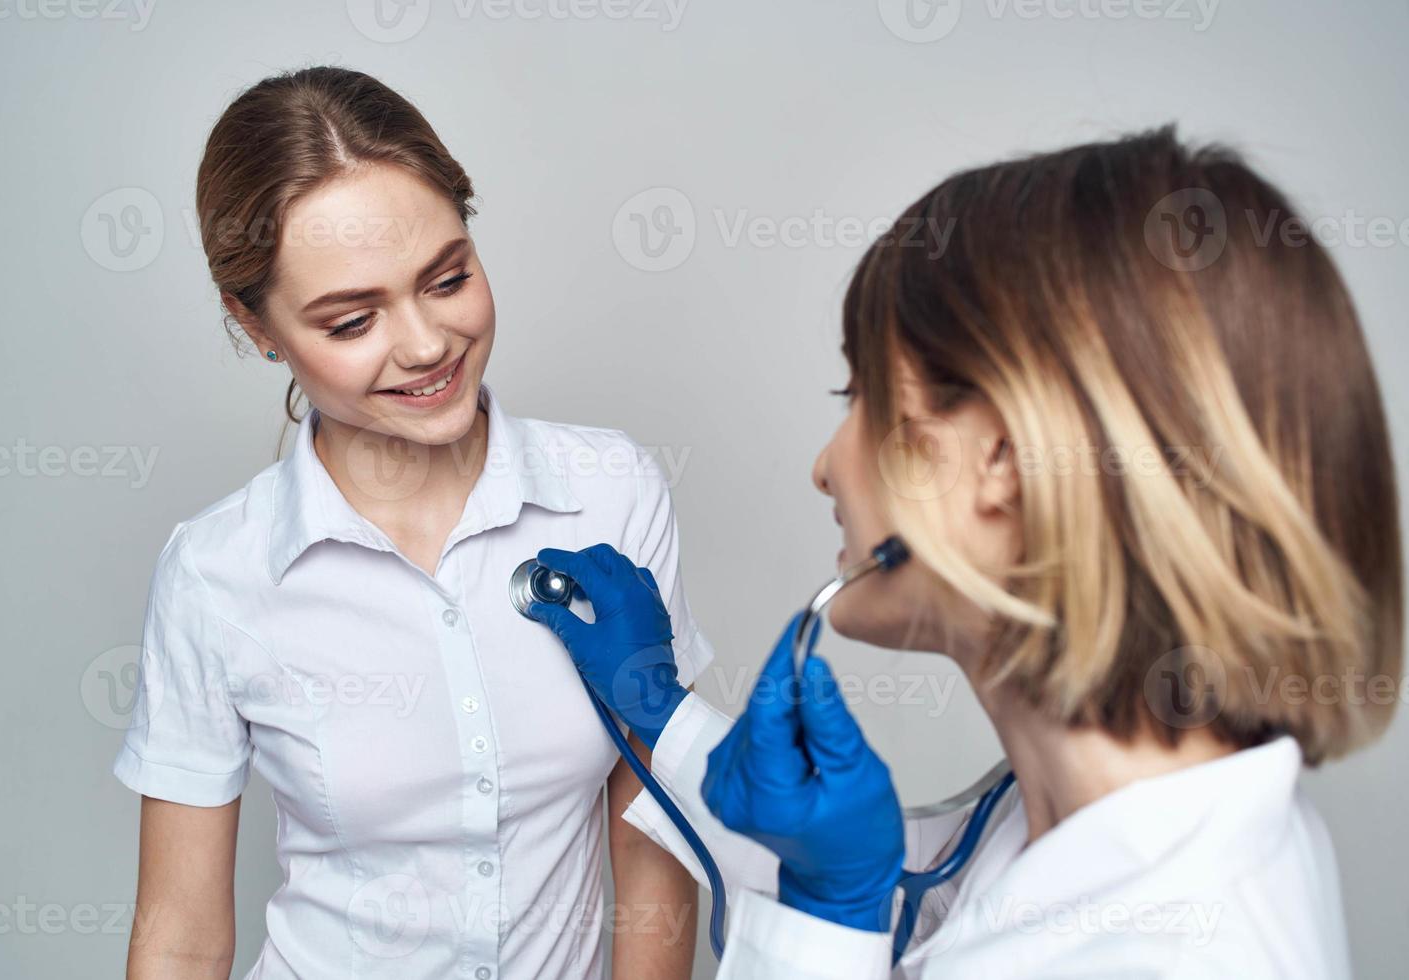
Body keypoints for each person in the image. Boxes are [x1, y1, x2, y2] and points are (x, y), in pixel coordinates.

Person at [530, 125, 1403, 978]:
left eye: (861, 395)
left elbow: (873, 923)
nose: (825, 467)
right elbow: (923, 910)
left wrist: (825, 912)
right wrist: (660, 711)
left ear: (1002, 459)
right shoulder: (1094, 811)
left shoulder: (1177, 952)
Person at [111, 66, 710, 979]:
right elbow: (183, 935)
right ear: (255, 325)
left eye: (448, 278)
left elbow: (650, 835)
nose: (427, 346)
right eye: (352, 321)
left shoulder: (610, 491)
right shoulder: (214, 574)